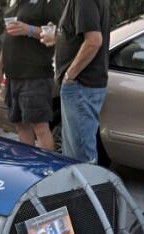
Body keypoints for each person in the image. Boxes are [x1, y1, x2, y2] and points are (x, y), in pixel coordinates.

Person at [0, 0, 65, 151]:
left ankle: (47, 171)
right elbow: (8, 37)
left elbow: (58, 35)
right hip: (12, 75)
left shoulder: (49, 3)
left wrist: (29, 30)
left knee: (40, 127)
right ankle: (29, 167)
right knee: (20, 125)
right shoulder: (14, 2)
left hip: (35, 75)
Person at [44, 0, 110, 162]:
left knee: (79, 158)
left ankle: (83, 187)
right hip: (81, 86)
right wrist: (58, 37)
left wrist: (69, 76)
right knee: (76, 153)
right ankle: (80, 187)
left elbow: (94, 41)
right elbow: (79, 37)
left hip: (80, 85)